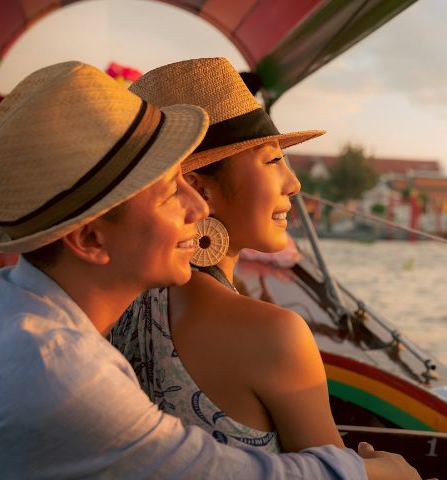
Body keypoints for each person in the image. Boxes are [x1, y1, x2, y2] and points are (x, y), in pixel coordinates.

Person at [0, 61, 418, 479]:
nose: (196, 205)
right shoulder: (61, 375)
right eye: (172, 188)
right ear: (89, 240)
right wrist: (376, 472)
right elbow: (223, 473)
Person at [110, 56, 350, 455]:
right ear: (199, 190)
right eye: (273, 160)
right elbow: (337, 472)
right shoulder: (275, 335)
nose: (293, 183)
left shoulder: (120, 303)